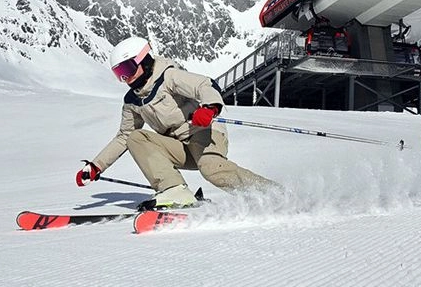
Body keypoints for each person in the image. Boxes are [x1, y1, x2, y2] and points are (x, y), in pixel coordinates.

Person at [76, 36, 276, 209]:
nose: (126, 78)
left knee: (210, 168)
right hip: (178, 146)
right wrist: (96, 166)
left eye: (127, 69)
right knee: (136, 137)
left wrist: (209, 108)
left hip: (203, 132)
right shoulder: (132, 101)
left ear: (143, 60)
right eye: (120, 73)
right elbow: (124, 136)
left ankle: (272, 194)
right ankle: (174, 190)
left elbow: (205, 85)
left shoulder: (168, 76)